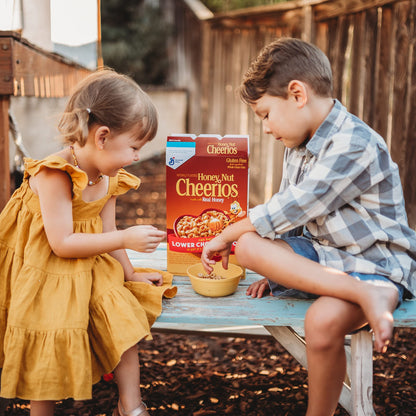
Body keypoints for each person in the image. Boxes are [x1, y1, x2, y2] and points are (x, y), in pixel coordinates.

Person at [201, 38, 416, 416]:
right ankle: (360, 295)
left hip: (377, 266)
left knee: (320, 320)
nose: (265, 128)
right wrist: (277, 265)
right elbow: (289, 225)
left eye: (265, 114)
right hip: (327, 260)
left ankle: (371, 296)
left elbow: (294, 205)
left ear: (297, 94)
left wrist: (224, 233)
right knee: (250, 248)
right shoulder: (298, 145)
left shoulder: (353, 142)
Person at [0, 69, 177, 416]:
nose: (138, 157)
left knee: (121, 316)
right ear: (103, 137)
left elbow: (106, 231)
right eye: (134, 147)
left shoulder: (108, 176)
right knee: (47, 330)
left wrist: (129, 274)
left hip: (87, 257)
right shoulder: (55, 174)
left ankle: (132, 406)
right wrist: (126, 236)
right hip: (42, 266)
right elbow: (62, 242)